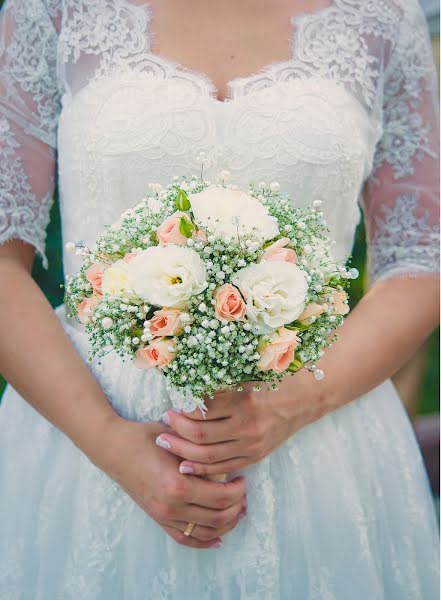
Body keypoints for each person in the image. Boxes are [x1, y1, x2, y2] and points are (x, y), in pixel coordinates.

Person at [0, 1, 439, 598]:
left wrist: (292, 404)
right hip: (88, 441)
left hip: (319, 443)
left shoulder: (385, 16)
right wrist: (111, 443)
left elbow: (422, 257)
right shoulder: (52, 9)